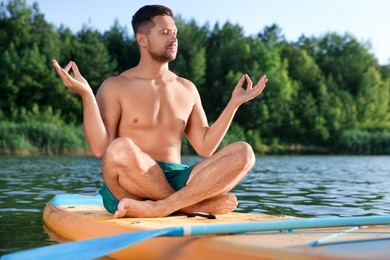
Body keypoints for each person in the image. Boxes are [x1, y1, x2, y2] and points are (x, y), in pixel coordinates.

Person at [52, 4, 268, 218]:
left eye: (175, 33)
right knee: (119, 149)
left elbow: (205, 147)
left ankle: (161, 207)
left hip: (177, 177)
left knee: (244, 153)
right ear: (142, 39)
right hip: (129, 184)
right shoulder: (115, 86)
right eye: (164, 33)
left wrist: (234, 103)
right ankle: (188, 206)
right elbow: (100, 149)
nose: (173, 39)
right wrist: (87, 95)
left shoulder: (187, 88)